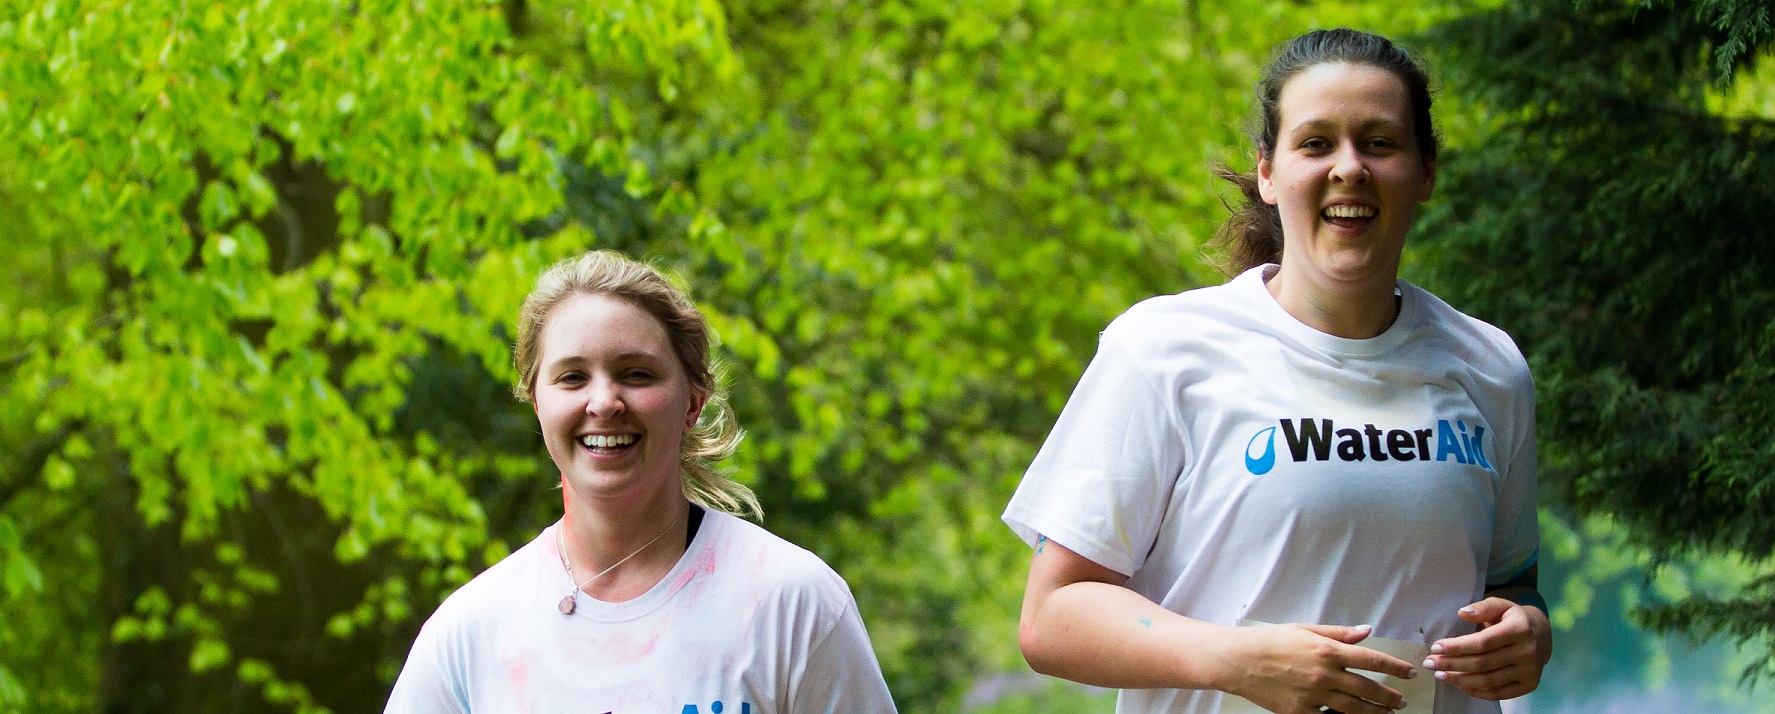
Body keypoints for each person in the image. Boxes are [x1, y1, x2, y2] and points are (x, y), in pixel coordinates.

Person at [1004, 28, 1550, 714]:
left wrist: (1529, 630)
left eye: (1379, 142)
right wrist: (1230, 659)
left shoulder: (1489, 366)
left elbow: (1513, 584)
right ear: (1268, 172)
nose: (1349, 167)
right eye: (1316, 142)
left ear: (1427, 171)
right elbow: (1051, 615)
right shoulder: (1164, 350)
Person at [386, 251, 897, 713]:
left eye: (636, 374)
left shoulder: (791, 603)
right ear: (537, 402)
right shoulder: (470, 634)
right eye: (572, 377)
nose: (604, 403)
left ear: (693, 403)